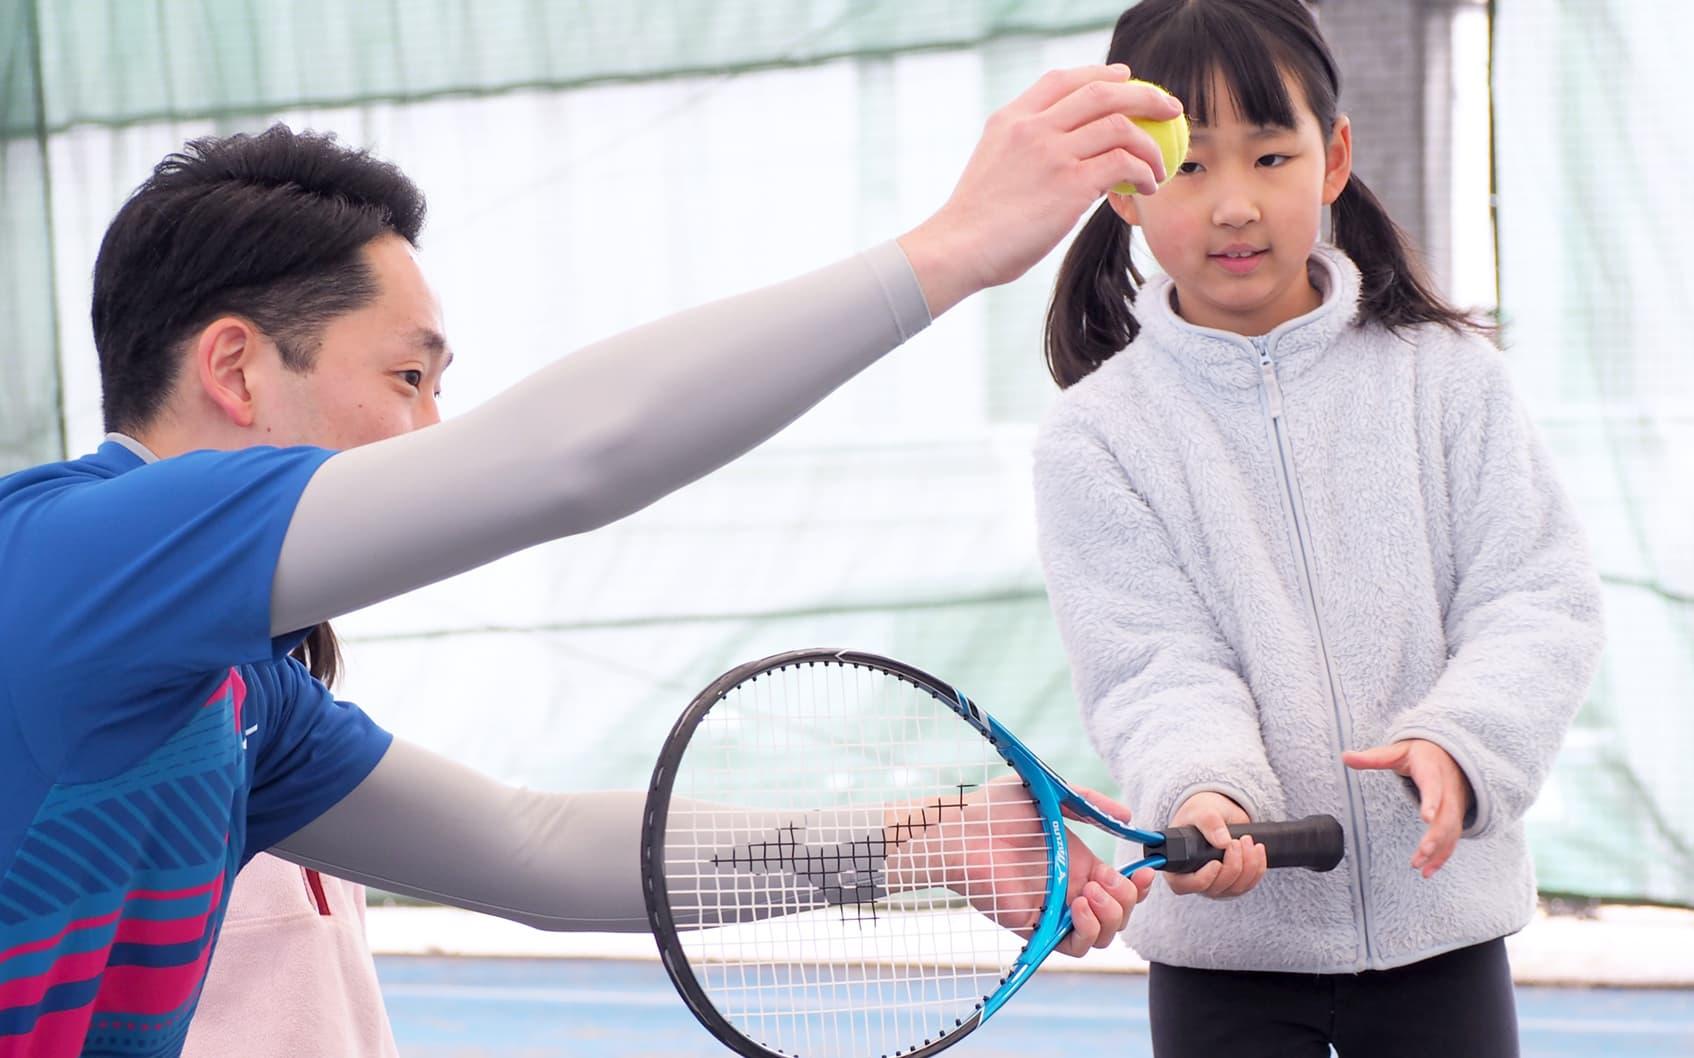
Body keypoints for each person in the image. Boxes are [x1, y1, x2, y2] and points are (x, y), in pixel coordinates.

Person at [0, 64, 1183, 1057]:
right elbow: (569, 460)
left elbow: (535, 847)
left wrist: (914, 843)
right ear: (235, 368)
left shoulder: (242, 691)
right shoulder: (73, 555)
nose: (431, 434)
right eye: (406, 378)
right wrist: (957, 247)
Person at [1031, 3, 1604, 1057]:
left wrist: (1459, 741)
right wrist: (1208, 792)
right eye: (1188, 166)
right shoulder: (1093, 438)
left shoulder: (1448, 380)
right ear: (1124, 187)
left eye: (1268, 153)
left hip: (1444, 936)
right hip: (1224, 958)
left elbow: (1536, 598)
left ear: (1331, 157)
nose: (1233, 204)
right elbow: (1152, 666)